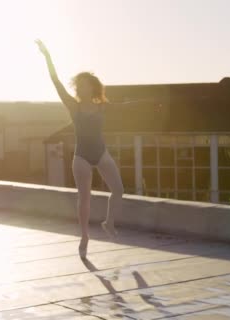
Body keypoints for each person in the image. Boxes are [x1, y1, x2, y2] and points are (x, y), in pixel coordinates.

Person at [36, 39, 161, 258]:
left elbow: (125, 108)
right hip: (82, 157)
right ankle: (84, 236)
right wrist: (47, 56)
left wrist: (149, 103)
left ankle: (109, 222)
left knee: (119, 190)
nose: (80, 87)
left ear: (92, 87)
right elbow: (55, 81)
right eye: (79, 84)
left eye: (84, 84)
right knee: (85, 198)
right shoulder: (73, 106)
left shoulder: (102, 107)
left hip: (101, 153)